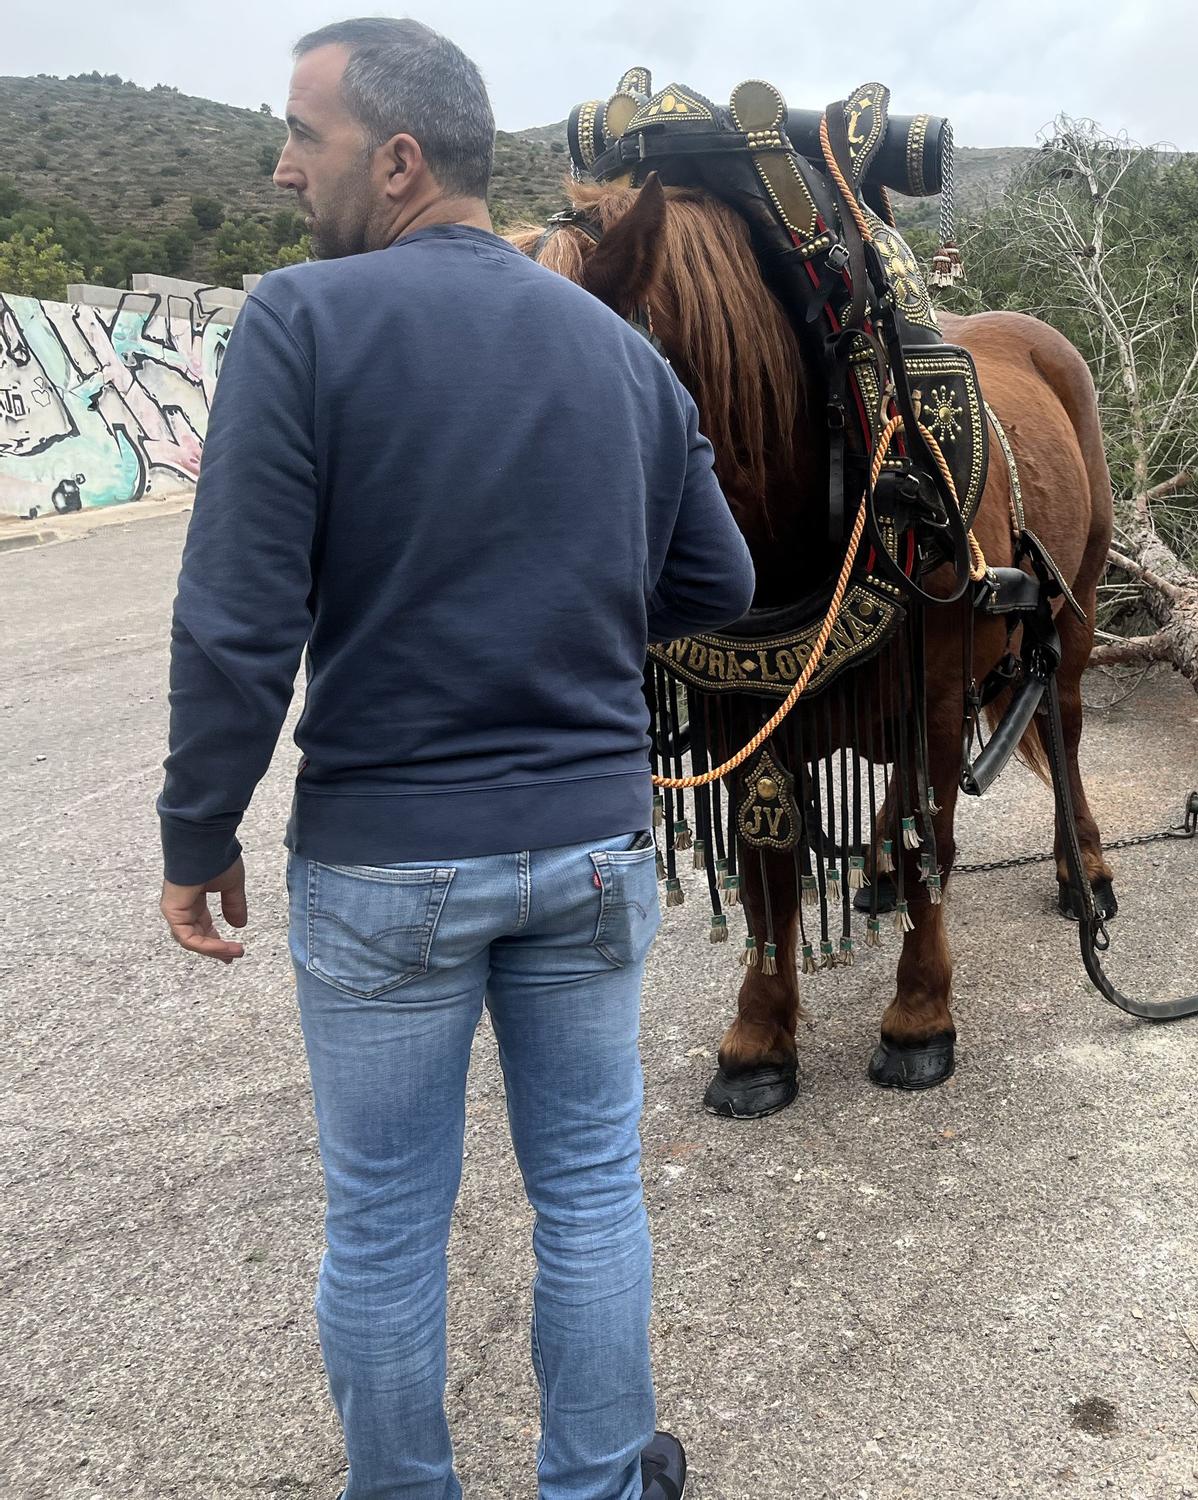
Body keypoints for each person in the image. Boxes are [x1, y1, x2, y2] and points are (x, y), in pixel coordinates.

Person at [154, 19, 753, 1500]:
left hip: (388, 860)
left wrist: (197, 830)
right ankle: (604, 1481)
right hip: (598, 851)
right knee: (595, 1196)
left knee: (384, 1227)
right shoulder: (628, 362)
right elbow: (721, 586)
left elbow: (238, 619)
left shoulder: (299, 324)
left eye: (305, 136)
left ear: (400, 158)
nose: (287, 169)